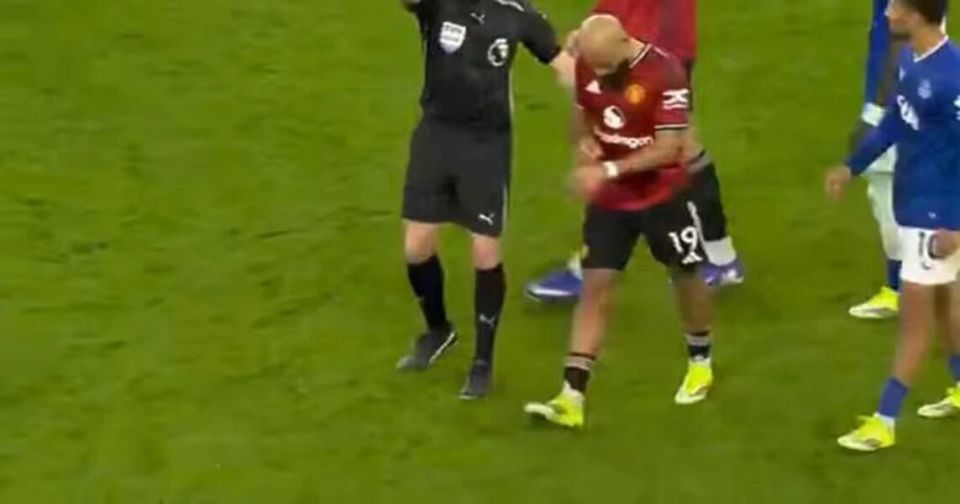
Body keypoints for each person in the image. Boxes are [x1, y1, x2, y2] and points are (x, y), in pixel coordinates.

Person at [524, 15, 717, 429]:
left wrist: (608, 170)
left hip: (664, 194)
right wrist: (584, 145)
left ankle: (700, 360)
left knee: (686, 276)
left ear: (625, 44)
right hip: (612, 197)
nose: (598, 75)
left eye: (606, 67)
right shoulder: (589, 64)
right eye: (592, 67)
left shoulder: (665, 72)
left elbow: (670, 147)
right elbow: (581, 115)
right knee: (596, 283)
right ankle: (571, 396)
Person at [397, 0, 573, 399]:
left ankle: (482, 362)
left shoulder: (518, 14)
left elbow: (562, 64)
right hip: (436, 134)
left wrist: (602, 94)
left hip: (486, 145)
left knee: (484, 250)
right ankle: (438, 331)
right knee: (416, 247)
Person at [524, 0, 744, 303]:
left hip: (654, 41)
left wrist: (607, 38)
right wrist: (596, 27)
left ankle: (595, 264)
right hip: (646, 36)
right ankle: (720, 257)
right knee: (679, 145)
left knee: (624, 144)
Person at [826, 0, 960, 453]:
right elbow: (893, 126)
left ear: (918, 15)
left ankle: (884, 421)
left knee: (915, 324)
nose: (887, 13)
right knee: (945, 305)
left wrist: (957, 226)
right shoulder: (912, 60)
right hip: (917, 206)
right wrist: (851, 166)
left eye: (897, 6)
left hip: (938, 219)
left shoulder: (951, 77)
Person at [847, 0, 909, 320]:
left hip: (894, 104)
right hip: (905, 96)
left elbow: (902, 40)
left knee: (888, 196)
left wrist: (875, 112)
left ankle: (897, 290)